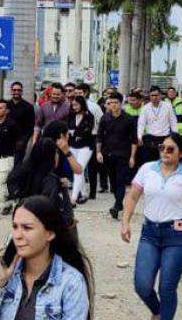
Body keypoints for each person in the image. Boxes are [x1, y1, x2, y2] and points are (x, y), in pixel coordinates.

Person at [121, 133, 182, 320]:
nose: (165, 152)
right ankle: (157, 312)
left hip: (176, 236)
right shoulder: (147, 169)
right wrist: (125, 221)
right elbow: (132, 196)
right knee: (142, 284)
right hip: (150, 232)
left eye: (171, 149)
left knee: (167, 286)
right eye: (163, 147)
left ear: (181, 152)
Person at [7, 138, 74, 232]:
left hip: (24, 227)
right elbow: (50, 209)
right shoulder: (50, 180)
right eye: (56, 152)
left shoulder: (26, 175)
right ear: (50, 155)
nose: (57, 155)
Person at [96, 92, 138, 220]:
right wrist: (98, 152)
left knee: (120, 181)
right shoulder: (105, 118)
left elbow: (134, 140)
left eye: (116, 102)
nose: (113, 105)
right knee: (113, 182)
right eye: (110, 103)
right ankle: (118, 204)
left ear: (121, 103)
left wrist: (132, 156)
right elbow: (99, 137)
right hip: (107, 154)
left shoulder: (129, 119)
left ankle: (117, 205)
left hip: (123, 154)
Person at [66, 95, 95, 205]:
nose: (74, 107)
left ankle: (73, 198)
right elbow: (68, 129)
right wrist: (75, 133)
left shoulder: (89, 116)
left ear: (82, 104)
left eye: (76, 105)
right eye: (73, 105)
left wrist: (75, 133)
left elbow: (87, 131)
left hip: (86, 146)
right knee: (78, 169)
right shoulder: (70, 115)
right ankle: (83, 194)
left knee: (78, 169)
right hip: (73, 145)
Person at [136, 87, 174, 166]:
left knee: (164, 162)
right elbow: (141, 123)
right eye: (152, 95)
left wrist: (175, 136)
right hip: (150, 138)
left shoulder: (168, 106)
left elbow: (173, 122)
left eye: (156, 95)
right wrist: (139, 136)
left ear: (160, 95)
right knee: (149, 163)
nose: (154, 97)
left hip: (164, 138)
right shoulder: (145, 108)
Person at [7, 82, 36, 165]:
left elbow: (31, 126)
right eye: (14, 90)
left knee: (17, 164)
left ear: (22, 92)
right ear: (11, 91)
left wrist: (23, 140)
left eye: (19, 90)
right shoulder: (6, 105)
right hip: (6, 140)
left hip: (20, 142)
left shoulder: (28, 107)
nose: (16, 92)